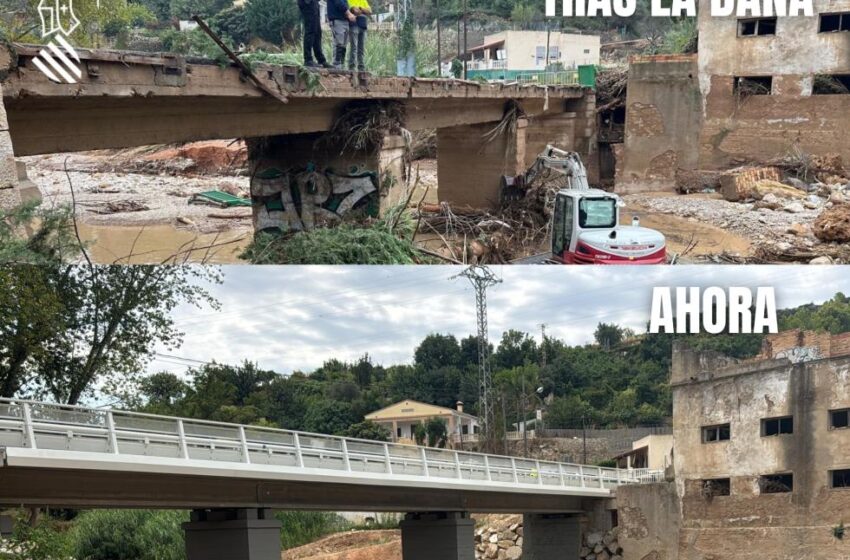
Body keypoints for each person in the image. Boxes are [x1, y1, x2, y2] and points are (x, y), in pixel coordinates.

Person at [297, 0, 331, 68]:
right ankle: (308, 59)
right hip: (307, 3)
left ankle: (321, 60)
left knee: (317, 32)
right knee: (310, 31)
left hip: (313, 3)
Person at [327, 0, 356, 69]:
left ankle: (341, 65)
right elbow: (339, 2)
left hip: (345, 20)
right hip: (337, 20)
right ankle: (336, 65)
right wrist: (349, 14)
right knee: (338, 43)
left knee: (343, 45)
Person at [347, 0, 371, 73]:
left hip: (363, 26)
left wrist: (360, 8)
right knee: (354, 47)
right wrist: (363, 10)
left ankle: (361, 67)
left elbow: (369, 11)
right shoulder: (349, 0)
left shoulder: (363, 0)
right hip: (353, 25)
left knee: (361, 48)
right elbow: (353, 10)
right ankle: (352, 67)